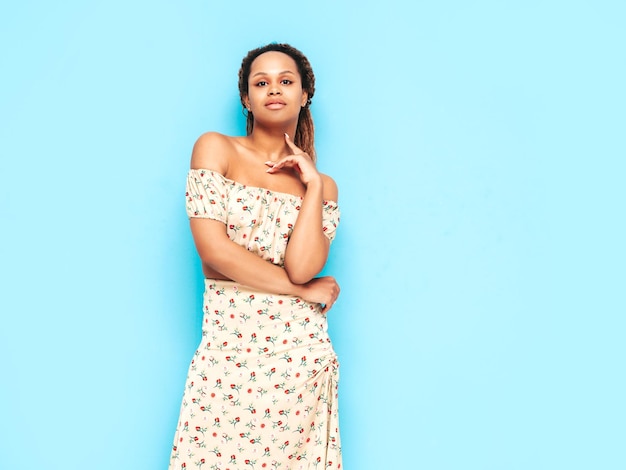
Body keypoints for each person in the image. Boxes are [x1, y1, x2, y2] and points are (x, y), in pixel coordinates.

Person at [168, 43, 343, 469]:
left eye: (286, 81)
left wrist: (314, 185)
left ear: (304, 95)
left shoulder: (323, 187)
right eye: (261, 82)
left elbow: (304, 267)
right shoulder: (216, 149)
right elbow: (214, 251)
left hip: (299, 354)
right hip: (229, 347)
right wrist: (300, 292)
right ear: (246, 98)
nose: (274, 90)